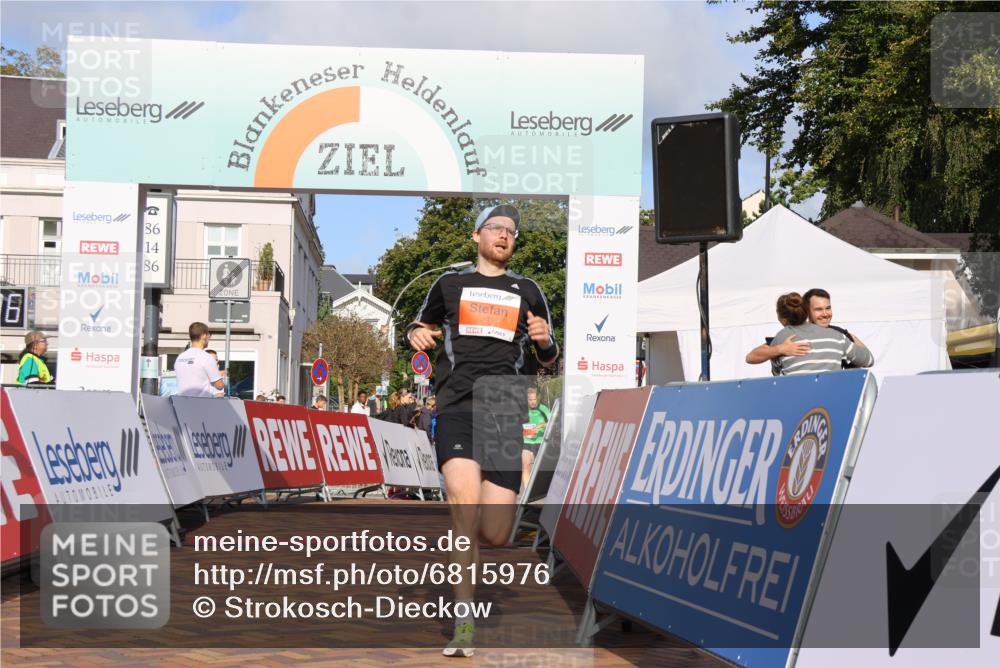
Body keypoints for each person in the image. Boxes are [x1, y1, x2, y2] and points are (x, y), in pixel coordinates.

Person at [407, 203, 558, 657]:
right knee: (463, 507)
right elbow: (419, 325)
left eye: (512, 231)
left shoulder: (528, 291)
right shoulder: (449, 284)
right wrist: (414, 334)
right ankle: (464, 621)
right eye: (497, 228)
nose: (505, 235)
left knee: (494, 532)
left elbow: (549, 357)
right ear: (477, 236)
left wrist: (545, 342)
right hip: (456, 405)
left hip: (503, 409)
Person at [765, 293, 874, 375]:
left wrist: (778, 350)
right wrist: (851, 336)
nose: (825, 314)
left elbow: (776, 375)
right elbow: (869, 360)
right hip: (831, 400)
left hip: (797, 401)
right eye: (818, 309)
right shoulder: (838, 337)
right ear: (807, 312)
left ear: (782, 319)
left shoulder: (779, 340)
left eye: (827, 308)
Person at [174, 322, 225, 397]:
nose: (209, 338)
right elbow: (219, 386)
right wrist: (220, 377)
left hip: (182, 404)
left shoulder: (180, 357)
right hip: (201, 404)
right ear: (204, 335)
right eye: (209, 335)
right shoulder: (206, 357)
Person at [520, 387, 550, 494]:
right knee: (526, 466)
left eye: (534, 399)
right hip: (526, 441)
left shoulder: (543, 409)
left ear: (537, 399)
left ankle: (540, 491)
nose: (532, 402)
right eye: (530, 400)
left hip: (540, 441)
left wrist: (541, 426)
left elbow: (552, 422)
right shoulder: (523, 410)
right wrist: (523, 429)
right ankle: (527, 494)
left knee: (540, 468)